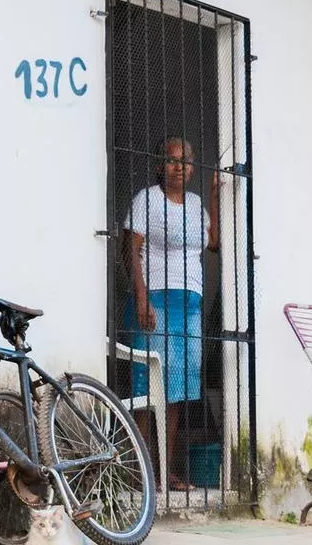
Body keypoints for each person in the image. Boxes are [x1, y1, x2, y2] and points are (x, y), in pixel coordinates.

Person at [122, 136, 219, 492]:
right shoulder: (147, 199)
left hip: (189, 306)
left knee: (177, 393)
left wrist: (215, 197)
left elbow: (215, 243)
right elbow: (130, 251)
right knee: (149, 391)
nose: (181, 167)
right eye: (173, 160)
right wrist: (142, 297)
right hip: (155, 303)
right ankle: (139, 471)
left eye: (187, 161)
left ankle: (164, 472)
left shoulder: (196, 205)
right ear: (160, 165)